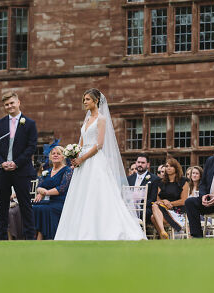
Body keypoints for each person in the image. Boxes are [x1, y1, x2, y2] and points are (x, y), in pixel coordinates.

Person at [54, 88, 146, 241]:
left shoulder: (101, 119)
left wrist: (82, 158)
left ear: (96, 101)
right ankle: (77, 231)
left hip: (94, 161)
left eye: (87, 99)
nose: (85, 102)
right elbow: (81, 142)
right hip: (82, 162)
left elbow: (99, 145)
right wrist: (75, 156)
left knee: (96, 194)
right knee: (80, 196)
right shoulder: (87, 119)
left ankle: (102, 230)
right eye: (84, 100)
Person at [0, 91, 38, 241]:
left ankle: (29, 238)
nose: (9, 106)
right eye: (6, 104)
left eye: (12, 103)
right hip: (3, 171)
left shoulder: (30, 123)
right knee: (2, 205)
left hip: (22, 170)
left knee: (25, 205)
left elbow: (31, 147)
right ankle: (1, 238)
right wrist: (2, 162)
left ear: (18, 102)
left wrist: (16, 163)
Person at [31, 145, 73, 240]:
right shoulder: (47, 172)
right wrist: (41, 192)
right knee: (34, 207)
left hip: (61, 202)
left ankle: (41, 237)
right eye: (53, 153)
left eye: (58, 153)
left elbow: (61, 188)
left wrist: (45, 193)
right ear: (50, 157)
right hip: (50, 201)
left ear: (63, 157)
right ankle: (34, 235)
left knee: (45, 209)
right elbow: (39, 186)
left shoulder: (68, 170)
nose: (55, 155)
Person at [151, 157, 188, 239]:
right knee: (154, 207)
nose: (168, 168)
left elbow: (184, 201)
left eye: (171, 166)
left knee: (153, 217)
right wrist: (164, 201)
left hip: (177, 211)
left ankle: (162, 235)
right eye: (167, 166)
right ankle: (163, 232)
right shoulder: (161, 183)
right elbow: (158, 200)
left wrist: (170, 203)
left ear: (176, 168)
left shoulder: (183, 181)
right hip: (163, 209)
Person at [126, 153, 158, 222]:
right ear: (136, 163)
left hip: (145, 209)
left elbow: (153, 199)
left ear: (148, 165)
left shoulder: (154, 179)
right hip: (129, 208)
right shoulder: (129, 179)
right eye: (138, 162)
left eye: (143, 163)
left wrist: (138, 207)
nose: (140, 164)